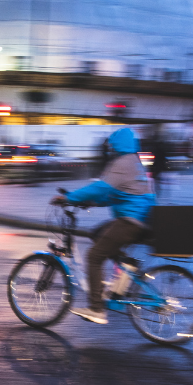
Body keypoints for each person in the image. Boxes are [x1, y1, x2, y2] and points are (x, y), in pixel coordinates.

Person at [53, 127, 156, 324]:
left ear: (116, 145)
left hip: (130, 222)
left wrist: (70, 197)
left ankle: (96, 308)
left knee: (94, 256)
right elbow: (115, 194)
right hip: (139, 219)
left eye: (110, 145)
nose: (108, 149)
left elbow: (101, 187)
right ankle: (126, 266)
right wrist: (89, 202)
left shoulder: (122, 163)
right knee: (98, 233)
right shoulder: (134, 162)